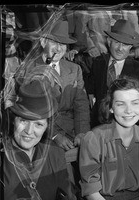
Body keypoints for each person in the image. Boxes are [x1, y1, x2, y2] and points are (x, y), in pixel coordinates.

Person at [0, 77, 80, 200]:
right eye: (23, 120)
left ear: (47, 127)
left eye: (38, 124)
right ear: (14, 120)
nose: (29, 132)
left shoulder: (55, 155)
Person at [78, 76, 139, 200]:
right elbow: (91, 192)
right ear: (111, 108)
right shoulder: (93, 139)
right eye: (121, 104)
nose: (129, 111)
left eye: (135, 103)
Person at [21, 20, 91, 152]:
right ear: (43, 42)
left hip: (73, 130)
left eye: (63, 44)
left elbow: (81, 106)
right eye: (54, 42)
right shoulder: (29, 69)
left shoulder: (74, 69)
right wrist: (54, 135)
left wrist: (82, 133)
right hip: (42, 135)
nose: (59, 49)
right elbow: (30, 112)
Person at [88, 19, 139, 128]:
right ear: (109, 41)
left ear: (131, 46)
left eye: (125, 44)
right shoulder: (98, 64)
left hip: (128, 126)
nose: (120, 48)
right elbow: (89, 96)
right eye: (117, 42)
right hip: (99, 126)